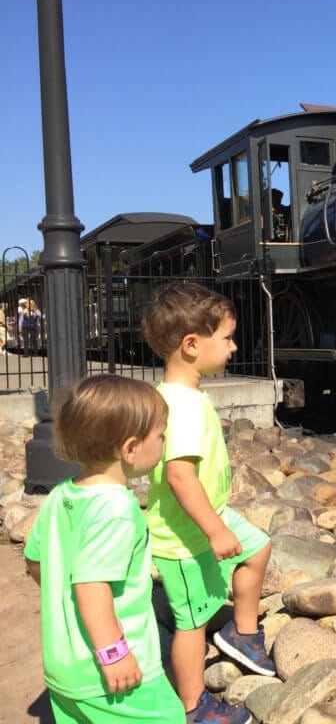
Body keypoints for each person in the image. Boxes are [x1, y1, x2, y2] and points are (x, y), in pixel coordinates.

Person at [141, 283, 274, 724]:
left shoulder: (183, 396)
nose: (234, 347)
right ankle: (193, 704)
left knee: (258, 548)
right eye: (228, 338)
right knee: (192, 622)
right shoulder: (180, 406)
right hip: (184, 537)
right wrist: (215, 531)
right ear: (192, 345)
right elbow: (179, 476)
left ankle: (242, 633)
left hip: (208, 515)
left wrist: (217, 522)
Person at [23, 374, 186, 724]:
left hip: (65, 668)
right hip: (110, 670)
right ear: (130, 449)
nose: (164, 441)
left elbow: (35, 561)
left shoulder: (61, 495)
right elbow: (90, 586)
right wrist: (114, 653)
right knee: (168, 717)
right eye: (160, 435)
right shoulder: (117, 508)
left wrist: (63, 597)